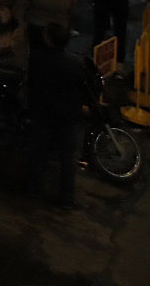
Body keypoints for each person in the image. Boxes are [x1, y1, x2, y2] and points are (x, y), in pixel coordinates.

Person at [25, 23, 92, 207]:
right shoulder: (74, 65)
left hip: (42, 113)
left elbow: (31, 85)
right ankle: (66, 198)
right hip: (66, 117)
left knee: (38, 153)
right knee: (67, 158)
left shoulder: (37, 59)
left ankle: (34, 189)